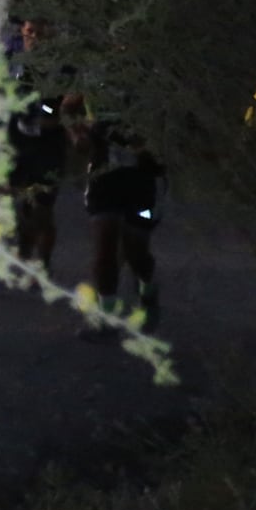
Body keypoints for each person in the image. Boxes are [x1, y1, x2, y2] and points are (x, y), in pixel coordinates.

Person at [73, 93, 167, 333]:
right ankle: (106, 316)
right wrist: (78, 134)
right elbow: (67, 105)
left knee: (136, 253)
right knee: (105, 248)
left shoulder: (156, 75)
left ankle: (147, 292)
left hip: (144, 183)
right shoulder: (94, 72)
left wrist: (145, 145)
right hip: (104, 180)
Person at [6, 18, 76, 277]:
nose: (34, 38)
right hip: (18, 142)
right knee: (23, 204)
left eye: (40, 32)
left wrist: (55, 120)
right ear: (23, 34)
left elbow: (72, 107)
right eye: (29, 32)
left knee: (43, 209)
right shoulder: (12, 61)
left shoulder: (63, 66)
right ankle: (24, 255)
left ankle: (43, 264)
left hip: (50, 147)